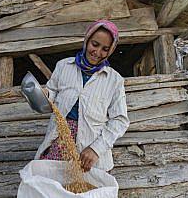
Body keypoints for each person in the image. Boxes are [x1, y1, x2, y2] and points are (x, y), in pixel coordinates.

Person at [35, 20, 130, 172]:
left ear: (111, 50)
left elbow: (120, 120)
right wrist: (45, 94)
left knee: (85, 191)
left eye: (105, 49)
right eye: (95, 44)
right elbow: (51, 92)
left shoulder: (114, 80)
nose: (98, 52)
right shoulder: (64, 66)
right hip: (60, 140)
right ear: (87, 40)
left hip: (90, 150)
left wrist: (96, 149)